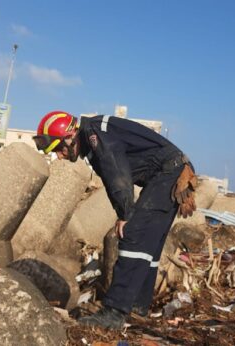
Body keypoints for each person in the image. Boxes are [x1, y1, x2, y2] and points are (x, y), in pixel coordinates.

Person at [33, 111, 198, 329]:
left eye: (58, 149)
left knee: (134, 235)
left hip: (170, 173)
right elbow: (113, 183)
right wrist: (124, 213)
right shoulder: (94, 139)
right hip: (173, 173)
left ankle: (114, 312)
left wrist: (126, 215)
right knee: (149, 244)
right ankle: (137, 306)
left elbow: (117, 175)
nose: (60, 156)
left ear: (70, 135)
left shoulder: (94, 133)